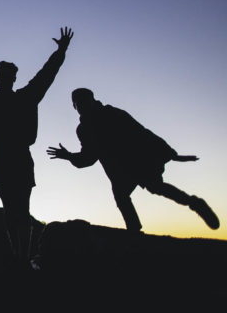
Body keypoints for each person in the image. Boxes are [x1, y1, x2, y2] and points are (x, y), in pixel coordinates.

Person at [0, 27, 73, 263]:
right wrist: (60, 51)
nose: (7, 78)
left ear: (4, 78)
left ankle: (20, 256)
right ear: (9, 78)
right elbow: (46, 75)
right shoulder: (19, 97)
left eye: (7, 75)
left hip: (11, 158)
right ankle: (20, 256)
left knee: (16, 210)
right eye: (7, 75)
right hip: (11, 158)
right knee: (17, 210)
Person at [47, 88, 220, 232]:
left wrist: (170, 154)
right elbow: (89, 158)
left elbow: (141, 132)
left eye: (84, 102)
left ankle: (193, 203)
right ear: (74, 107)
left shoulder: (113, 114)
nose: (81, 106)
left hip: (138, 162)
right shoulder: (83, 130)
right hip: (119, 171)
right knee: (123, 196)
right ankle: (134, 230)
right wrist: (68, 156)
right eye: (78, 104)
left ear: (92, 100)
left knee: (154, 188)